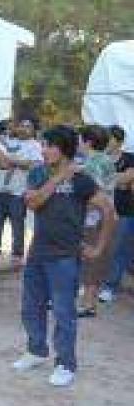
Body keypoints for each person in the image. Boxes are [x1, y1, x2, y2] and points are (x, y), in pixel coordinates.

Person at [13, 125, 116, 387]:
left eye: (49, 145)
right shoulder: (38, 172)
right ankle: (36, 351)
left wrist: (99, 247)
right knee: (30, 306)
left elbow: (107, 210)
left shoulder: (82, 179)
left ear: (64, 148)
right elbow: (33, 202)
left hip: (65, 256)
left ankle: (65, 364)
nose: (44, 150)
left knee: (63, 311)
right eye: (43, 145)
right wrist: (59, 178)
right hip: (37, 251)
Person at [0, 117, 43, 264]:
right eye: (21, 126)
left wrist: (11, 160)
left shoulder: (35, 146)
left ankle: (17, 254)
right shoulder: (8, 142)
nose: (24, 129)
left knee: (17, 224)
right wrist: (8, 159)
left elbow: (32, 165)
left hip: (18, 192)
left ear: (33, 130)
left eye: (28, 126)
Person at [76, 125, 117, 318]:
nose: (77, 143)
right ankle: (88, 303)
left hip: (94, 218)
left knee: (90, 260)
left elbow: (94, 194)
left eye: (80, 139)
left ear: (88, 142)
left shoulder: (93, 163)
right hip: (105, 217)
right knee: (95, 261)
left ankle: (88, 305)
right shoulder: (105, 160)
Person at [99, 125, 134, 303]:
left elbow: (127, 178)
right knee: (100, 247)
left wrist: (111, 180)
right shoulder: (99, 158)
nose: (106, 141)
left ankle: (110, 287)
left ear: (119, 141)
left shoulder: (130, 158)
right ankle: (94, 283)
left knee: (117, 250)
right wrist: (119, 181)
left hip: (125, 211)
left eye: (110, 138)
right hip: (101, 210)